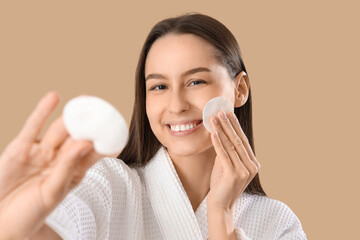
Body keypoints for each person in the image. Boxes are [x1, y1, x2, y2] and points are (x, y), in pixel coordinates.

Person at [0, 13, 307, 239]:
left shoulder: (278, 223)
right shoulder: (111, 185)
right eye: (159, 87)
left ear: (239, 90)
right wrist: (17, 218)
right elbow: (52, 228)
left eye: (196, 81)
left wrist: (220, 214)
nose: (176, 105)